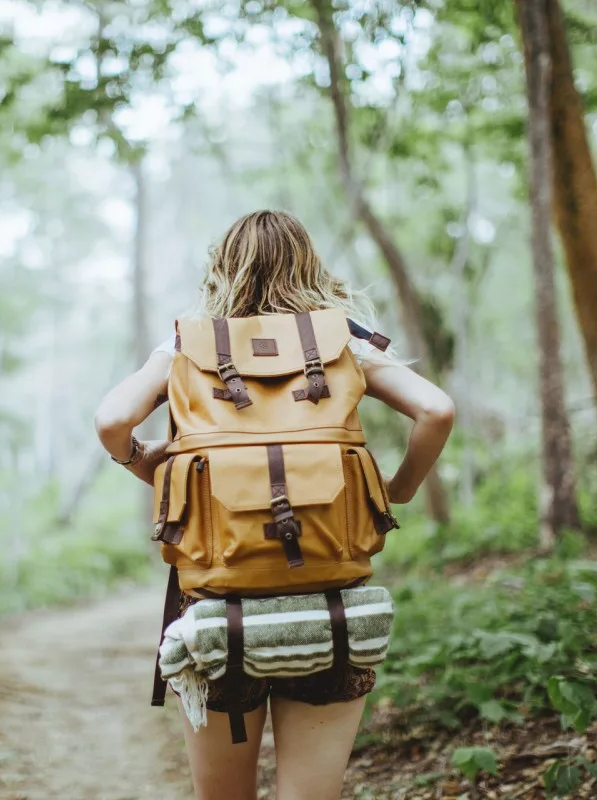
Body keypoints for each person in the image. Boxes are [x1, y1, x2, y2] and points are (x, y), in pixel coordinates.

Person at [94, 210, 455, 800]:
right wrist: (402, 489)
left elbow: (111, 421)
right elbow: (436, 410)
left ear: (222, 267)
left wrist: (149, 468)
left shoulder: (187, 342)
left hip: (215, 607)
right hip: (331, 604)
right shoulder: (341, 339)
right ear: (308, 264)